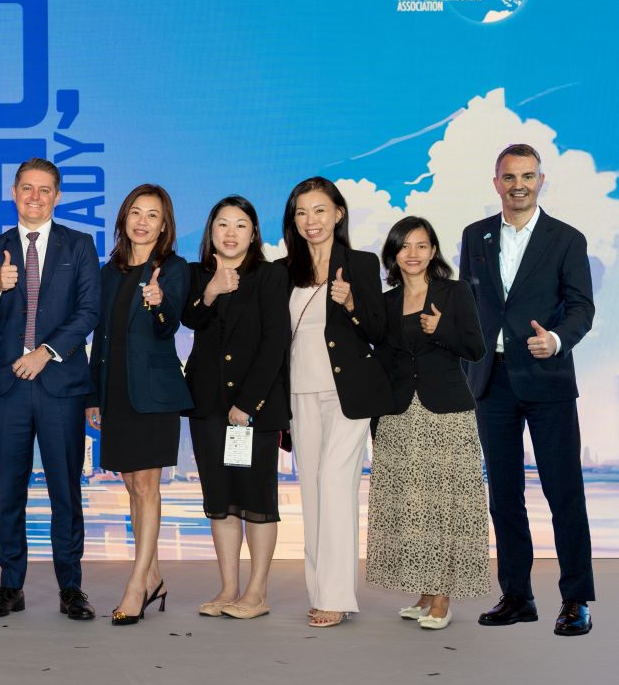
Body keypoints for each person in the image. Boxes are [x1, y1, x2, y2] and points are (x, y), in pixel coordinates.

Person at [460, 144, 595, 637]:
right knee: (504, 496)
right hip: (490, 382)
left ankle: (576, 600)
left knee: (564, 493)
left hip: (547, 379)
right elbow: (469, 303)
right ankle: (517, 596)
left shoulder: (567, 239)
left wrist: (556, 340)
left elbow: (582, 307)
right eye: (509, 176)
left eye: (528, 176)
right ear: (496, 182)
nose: (518, 185)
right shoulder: (475, 235)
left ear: (541, 180)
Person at [0, 158, 100, 620]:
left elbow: (89, 311)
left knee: (66, 491)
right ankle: (10, 585)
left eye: (45, 190)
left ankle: (71, 587)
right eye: (27, 188)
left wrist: (46, 352)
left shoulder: (79, 245)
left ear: (57, 196)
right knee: (8, 491)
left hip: (60, 385)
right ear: (14, 192)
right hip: (7, 386)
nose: (35, 197)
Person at [280, 176, 394, 628]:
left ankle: (337, 594)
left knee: (335, 483)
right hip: (298, 391)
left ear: (338, 214)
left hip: (349, 392)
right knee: (311, 489)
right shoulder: (282, 270)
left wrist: (350, 305)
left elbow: (379, 330)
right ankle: (320, 591)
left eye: (320, 210)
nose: (311, 220)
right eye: (302, 212)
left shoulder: (361, 264)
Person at [366, 216, 489, 629]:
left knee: (444, 505)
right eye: (404, 246)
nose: (413, 254)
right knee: (412, 506)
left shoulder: (454, 292)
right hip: (400, 415)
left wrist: (440, 330)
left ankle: (442, 599)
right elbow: (384, 361)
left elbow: (475, 348)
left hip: (446, 414)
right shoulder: (386, 302)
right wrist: (377, 421)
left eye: (421, 245)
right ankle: (424, 592)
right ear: (393, 254)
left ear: (433, 251)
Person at [86, 184, 192, 626]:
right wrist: (93, 396)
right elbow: (100, 338)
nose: (142, 221)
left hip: (154, 396)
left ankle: (137, 586)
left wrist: (159, 303)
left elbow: (170, 325)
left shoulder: (174, 268)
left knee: (147, 488)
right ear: (123, 219)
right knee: (132, 487)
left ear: (164, 225)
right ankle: (155, 577)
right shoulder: (108, 272)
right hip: (115, 393)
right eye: (135, 212)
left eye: (152, 215)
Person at [181, 196, 290, 620]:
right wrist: (210, 292)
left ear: (253, 232)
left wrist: (248, 403)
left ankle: (256, 593)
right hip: (208, 404)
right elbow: (190, 320)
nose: (230, 232)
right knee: (220, 499)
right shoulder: (197, 275)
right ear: (211, 231)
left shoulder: (270, 275)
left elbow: (275, 341)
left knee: (256, 499)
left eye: (240, 224)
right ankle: (229, 588)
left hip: (254, 408)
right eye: (222, 224)